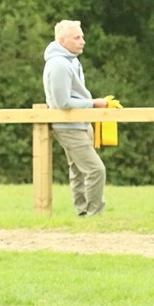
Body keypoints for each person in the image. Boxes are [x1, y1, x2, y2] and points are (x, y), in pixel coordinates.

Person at [43, 20, 109, 216]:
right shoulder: (59, 64)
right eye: (77, 37)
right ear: (63, 41)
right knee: (96, 170)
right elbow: (62, 102)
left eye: (82, 37)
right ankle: (94, 213)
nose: (83, 41)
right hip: (68, 126)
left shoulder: (71, 61)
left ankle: (83, 211)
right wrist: (94, 103)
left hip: (80, 123)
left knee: (79, 170)